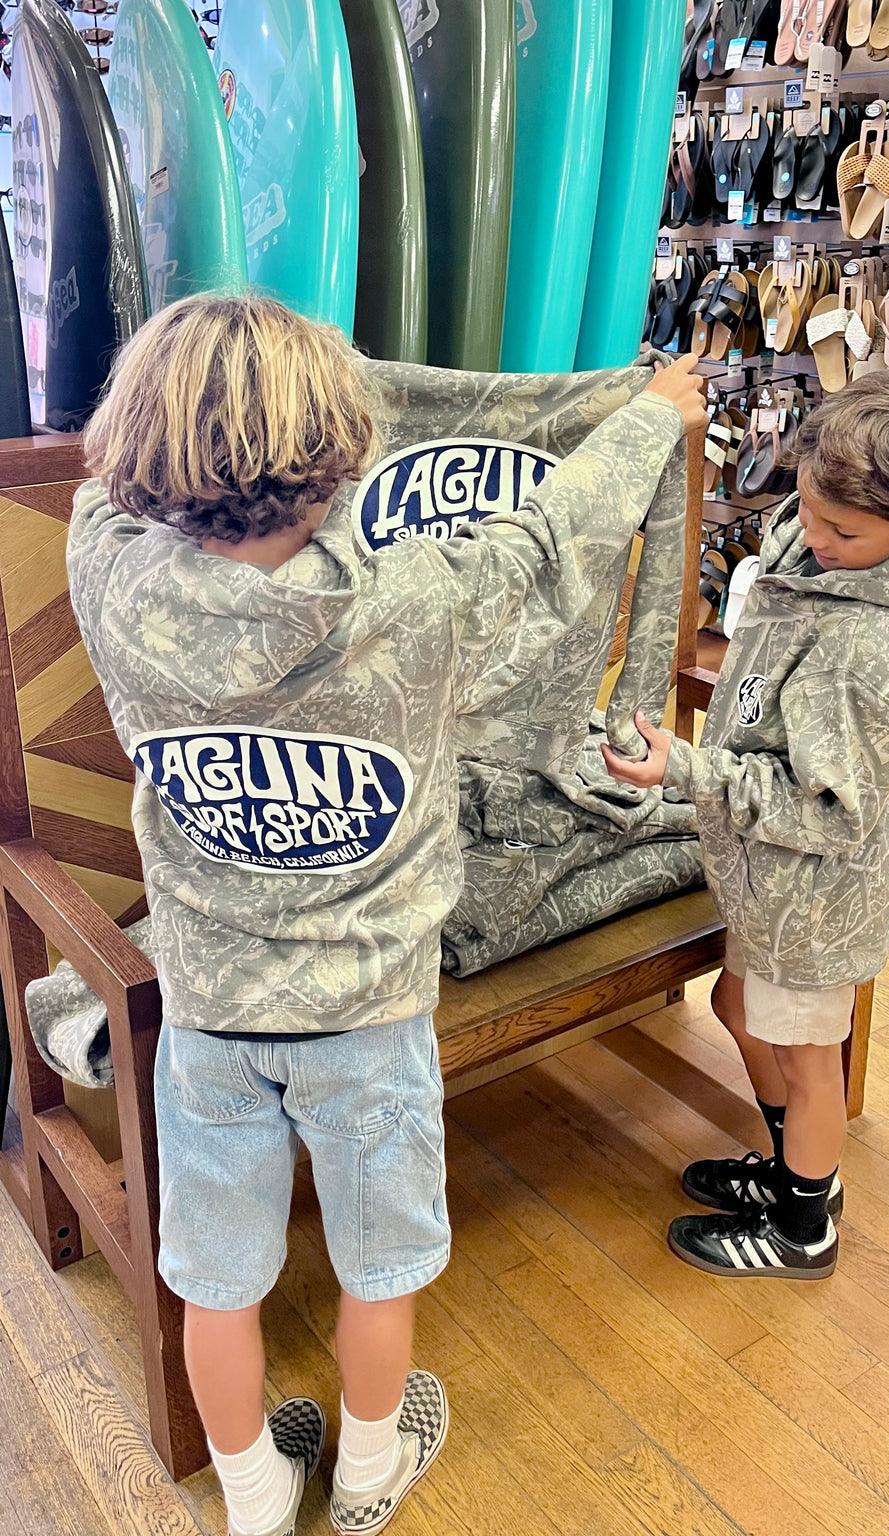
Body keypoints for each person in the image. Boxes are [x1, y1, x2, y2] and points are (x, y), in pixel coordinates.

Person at [66, 292, 706, 1536]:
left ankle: (255, 1499)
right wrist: (649, 417)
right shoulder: (421, 599)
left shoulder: (109, 575)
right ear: (341, 462)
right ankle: (367, 1475)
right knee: (379, 1268)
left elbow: (104, 492)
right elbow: (555, 534)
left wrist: (174, 426)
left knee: (217, 1285)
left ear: (139, 459)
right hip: (370, 1018)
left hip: (210, 1015)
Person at [603, 371, 889, 1281]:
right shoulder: (828, 555)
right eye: (807, 509)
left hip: (815, 891)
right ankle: (790, 1170)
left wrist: (686, 770)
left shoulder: (869, 652)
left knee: (810, 1057)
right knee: (737, 1008)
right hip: (766, 872)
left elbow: (825, 811)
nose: (814, 536)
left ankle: (805, 1225)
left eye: (842, 531)